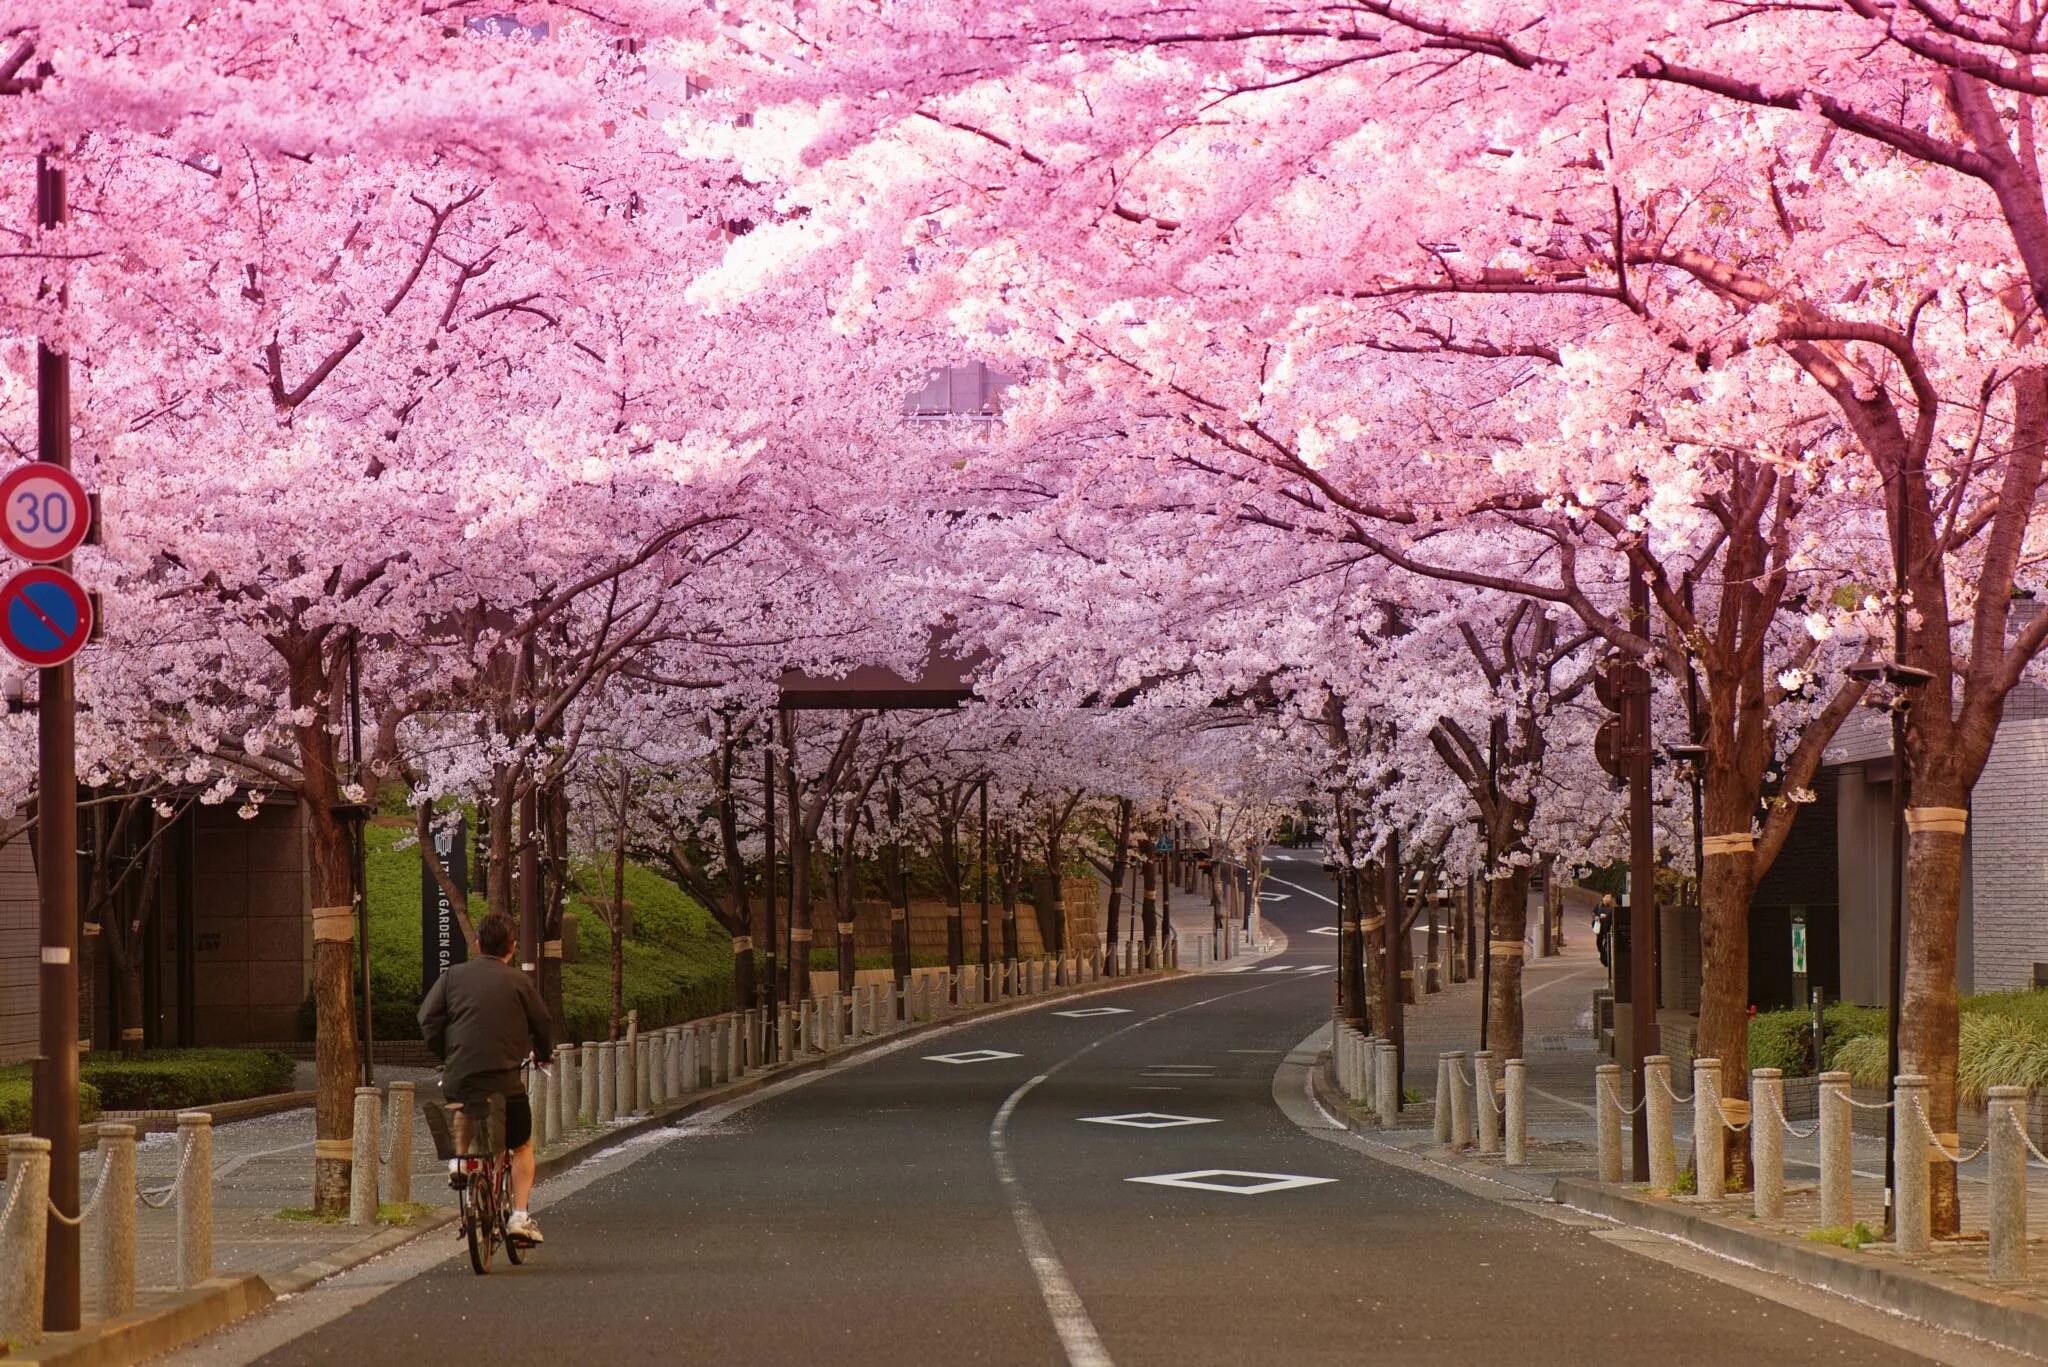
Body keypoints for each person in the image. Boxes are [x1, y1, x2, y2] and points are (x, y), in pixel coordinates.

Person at [419, 911, 556, 1246]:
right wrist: (543, 1052)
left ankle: (459, 1162)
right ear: (511, 948)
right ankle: (519, 1216)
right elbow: (543, 1023)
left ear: (477, 944)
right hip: (505, 1083)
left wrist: (447, 1052)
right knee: (521, 1144)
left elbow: (427, 1019)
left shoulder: (452, 976)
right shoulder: (519, 982)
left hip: (460, 1075)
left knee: (463, 1104)